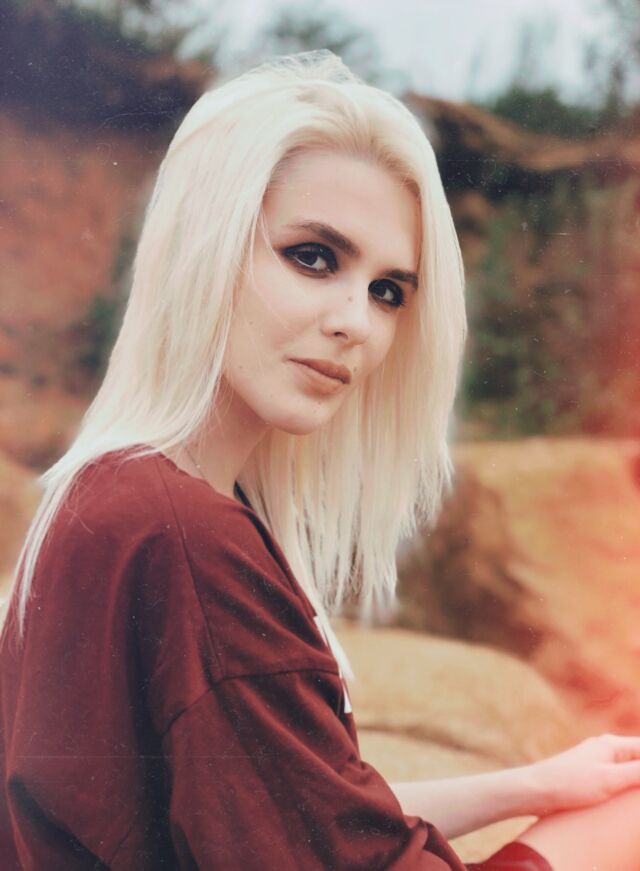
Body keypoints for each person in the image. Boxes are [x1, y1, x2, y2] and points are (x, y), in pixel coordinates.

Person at [1, 50, 640, 871]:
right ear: (206, 244)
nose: (357, 323)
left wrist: (534, 783)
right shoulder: (185, 535)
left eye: (388, 290)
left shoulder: (111, 492)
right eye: (313, 257)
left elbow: (303, 810)